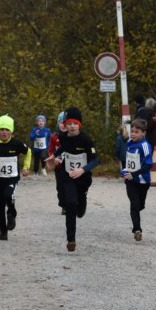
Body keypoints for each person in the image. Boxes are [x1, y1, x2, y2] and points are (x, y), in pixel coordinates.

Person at [49, 108, 98, 252]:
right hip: (68, 175)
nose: (71, 126)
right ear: (65, 125)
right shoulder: (63, 136)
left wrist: (82, 170)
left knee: (79, 209)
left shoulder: (86, 139)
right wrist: (54, 156)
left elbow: (95, 160)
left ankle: (83, 200)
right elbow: (64, 148)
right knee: (70, 204)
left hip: (83, 177)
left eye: (74, 124)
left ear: (79, 125)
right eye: (69, 123)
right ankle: (71, 240)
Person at [0, 115, 31, 240]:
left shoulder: (16, 144)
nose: (4, 132)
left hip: (12, 178)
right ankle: (3, 232)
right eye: (2, 129)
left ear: (11, 131)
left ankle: (12, 212)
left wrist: (26, 167)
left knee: (8, 195)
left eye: (7, 129)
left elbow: (28, 152)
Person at [121, 118, 152, 241]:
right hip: (130, 180)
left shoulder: (145, 146)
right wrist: (125, 170)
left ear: (143, 133)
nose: (133, 134)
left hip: (143, 181)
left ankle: (137, 215)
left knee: (140, 205)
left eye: (136, 132)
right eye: (132, 131)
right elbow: (128, 159)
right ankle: (137, 229)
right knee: (134, 204)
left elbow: (148, 165)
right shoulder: (129, 142)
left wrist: (134, 174)